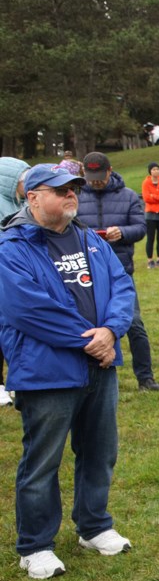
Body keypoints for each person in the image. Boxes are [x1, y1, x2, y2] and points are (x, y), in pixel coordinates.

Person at [0, 164, 136, 579]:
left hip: (100, 365)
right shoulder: (11, 246)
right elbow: (28, 308)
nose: (71, 195)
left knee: (99, 452)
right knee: (42, 461)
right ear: (33, 197)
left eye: (74, 188)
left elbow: (122, 287)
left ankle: (93, 526)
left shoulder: (90, 241)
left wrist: (111, 331)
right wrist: (90, 340)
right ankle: (35, 545)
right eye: (60, 190)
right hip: (48, 372)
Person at [77, 153, 159, 392]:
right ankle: (86, 378)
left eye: (99, 177)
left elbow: (140, 227)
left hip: (120, 271)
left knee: (133, 323)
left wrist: (122, 232)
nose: (95, 182)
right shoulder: (75, 196)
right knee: (83, 325)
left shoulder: (128, 196)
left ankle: (145, 378)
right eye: (90, 177)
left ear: (110, 171)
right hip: (82, 273)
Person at [0, 156, 29, 406]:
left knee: (16, 331)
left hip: (16, 278)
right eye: (24, 180)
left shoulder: (16, 204)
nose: (27, 186)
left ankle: (19, 382)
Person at [141, 162, 159, 269]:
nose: (156, 171)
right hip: (150, 214)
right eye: (153, 169)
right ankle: (150, 260)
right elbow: (146, 198)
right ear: (150, 171)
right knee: (151, 237)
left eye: (157, 169)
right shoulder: (146, 183)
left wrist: (155, 196)